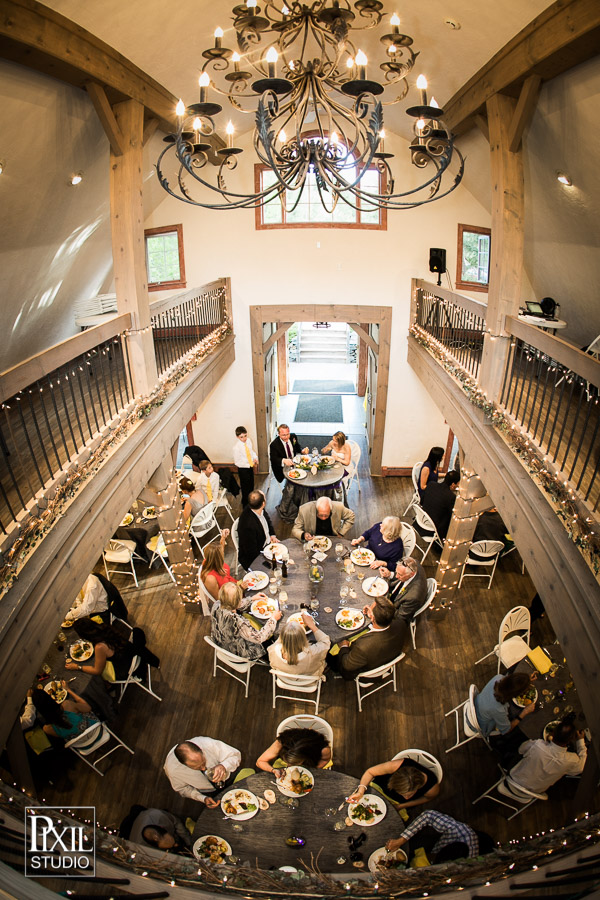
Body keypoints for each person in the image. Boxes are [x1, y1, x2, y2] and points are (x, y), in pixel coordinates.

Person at [326, 597, 407, 680]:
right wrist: (371, 613)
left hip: (366, 669)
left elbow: (347, 665)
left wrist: (343, 646)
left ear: (372, 617)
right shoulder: (401, 623)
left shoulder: (363, 647)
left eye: (371, 608)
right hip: (386, 655)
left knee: (328, 654)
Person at [509, 715, 587, 793]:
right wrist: (580, 741)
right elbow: (581, 767)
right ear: (570, 740)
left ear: (553, 733)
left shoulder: (538, 745)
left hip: (512, 780)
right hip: (535, 792)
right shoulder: (572, 760)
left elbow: (521, 750)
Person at [66, 618, 159, 681]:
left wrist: (77, 667)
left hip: (125, 667)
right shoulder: (105, 627)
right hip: (129, 652)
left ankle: (109, 688)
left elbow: (97, 671)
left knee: (97, 677)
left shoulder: (99, 647)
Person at [164, 735, 242, 807]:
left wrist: (223, 766)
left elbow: (235, 755)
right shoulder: (173, 770)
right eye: (197, 767)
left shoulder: (207, 744)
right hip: (210, 792)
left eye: (203, 762)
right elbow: (183, 789)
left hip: (229, 777)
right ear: (184, 764)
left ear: (201, 750)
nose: (203, 768)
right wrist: (203, 798)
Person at [385, 810, 495, 861]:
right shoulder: (459, 831)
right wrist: (401, 841)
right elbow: (428, 815)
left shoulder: (468, 864)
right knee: (405, 843)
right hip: (436, 844)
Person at [211, 582, 281, 660]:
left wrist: (251, 599)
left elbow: (233, 605)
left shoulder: (217, 604)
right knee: (271, 639)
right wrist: (273, 619)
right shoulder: (238, 622)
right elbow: (259, 638)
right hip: (237, 654)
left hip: (221, 644)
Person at [348, 755, 440, 809]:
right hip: (379, 787)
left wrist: (402, 806)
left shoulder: (432, 788)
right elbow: (369, 772)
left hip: (396, 803)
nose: (407, 797)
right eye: (404, 794)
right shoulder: (395, 765)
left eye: (409, 794)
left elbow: (427, 798)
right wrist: (361, 791)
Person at [472, 671, 537, 738]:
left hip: (474, 705)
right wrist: (524, 712)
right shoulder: (499, 709)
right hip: (478, 725)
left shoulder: (498, 677)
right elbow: (506, 730)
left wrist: (526, 681)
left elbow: (512, 682)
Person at [268, 612, 330, 676]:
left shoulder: (273, 650)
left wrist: (288, 632)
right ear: (303, 638)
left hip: (284, 678)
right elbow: (326, 642)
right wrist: (311, 625)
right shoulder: (312, 653)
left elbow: (278, 642)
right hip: (307, 681)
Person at [31, 682, 100, 740]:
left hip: (84, 745)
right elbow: (88, 708)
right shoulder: (67, 705)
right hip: (98, 732)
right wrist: (69, 690)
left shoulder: (47, 729)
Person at [269, 424, 308, 521]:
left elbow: (297, 448)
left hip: (295, 463)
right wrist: (283, 460)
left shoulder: (293, 437)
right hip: (282, 468)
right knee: (293, 483)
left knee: (306, 475)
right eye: (283, 435)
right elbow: (274, 459)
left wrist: (302, 451)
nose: (286, 437)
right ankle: (292, 500)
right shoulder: (274, 445)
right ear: (279, 434)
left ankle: (302, 497)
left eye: (287, 434)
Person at [256, 726, 331, 776]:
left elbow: (325, 760)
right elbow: (260, 761)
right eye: (288, 763)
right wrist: (273, 770)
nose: (289, 766)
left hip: (312, 764)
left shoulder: (323, 749)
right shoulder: (281, 743)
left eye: (293, 763)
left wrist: (311, 771)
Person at [237, 490, 278, 571]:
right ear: (263, 503)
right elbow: (251, 552)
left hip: (267, 544)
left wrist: (272, 535)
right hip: (256, 557)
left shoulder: (257, 508)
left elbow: (268, 521)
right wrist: (268, 558)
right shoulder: (248, 526)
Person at [381, 557, 427, 623]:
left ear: (412, 574)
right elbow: (399, 574)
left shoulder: (413, 597)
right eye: (396, 572)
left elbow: (399, 617)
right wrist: (390, 574)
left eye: (399, 574)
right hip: (394, 592)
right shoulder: (413, 563)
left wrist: (382, 607)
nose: (396, 576)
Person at [421, 470, 460, 539]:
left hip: (422, 518)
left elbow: (422, 501)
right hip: (434, 526)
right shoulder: (451, 497)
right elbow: (452, 515)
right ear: (453, 484)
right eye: (457, 484)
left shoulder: (431, 484)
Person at [200, 531, 236, 602]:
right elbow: (219, 599)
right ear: (218, 558)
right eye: (222, 553)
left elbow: (219, 549)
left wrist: (223, 538)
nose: (223, 552)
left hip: (233, 584)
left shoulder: (209, 559)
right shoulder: (210, 579)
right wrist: (241, 588)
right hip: (230, 598)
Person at [233, 426, 258, 508]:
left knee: (251, 484)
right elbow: (237, 462)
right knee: (245, 487)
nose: (244, 438)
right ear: (237, 437)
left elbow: (251, 451)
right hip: (243, 469)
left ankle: (251, 500)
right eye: (241, 437)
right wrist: (249, 465)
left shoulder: (249, 441)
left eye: (245, 436)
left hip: (250, 467)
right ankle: (245, 504)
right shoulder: (236, 448)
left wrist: (255, 458)